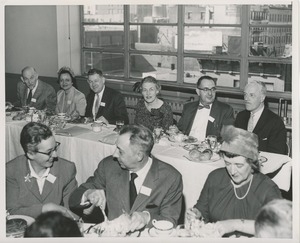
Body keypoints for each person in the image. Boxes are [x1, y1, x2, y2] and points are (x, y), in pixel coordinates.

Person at [69, 124, 183, 231]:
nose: (114, 155)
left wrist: (147, 217)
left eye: (120, 151)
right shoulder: (109, 166)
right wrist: (88, 193)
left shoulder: (170, 177)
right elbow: (74, 198)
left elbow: (170, 221)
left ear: (139, 156)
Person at [186, 125, 282, 237]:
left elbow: (277, 228)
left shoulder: (267, 189)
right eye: (227, 163)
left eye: (239, 165)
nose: (232, 171)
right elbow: (202, 210)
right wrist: (197, 215)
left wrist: (235, 224)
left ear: (252, 163)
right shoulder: (215, 177)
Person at [6, 122, 79, 220]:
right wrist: (44, 209)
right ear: (31, 154)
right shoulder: (11, 170)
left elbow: (72, 213)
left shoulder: (66, 169)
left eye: (55, 148)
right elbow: (10, 212)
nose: (55, 155)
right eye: (49, 152)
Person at [235, 81, 287, 155]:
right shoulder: (240, 116)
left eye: (251, 95)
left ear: (262, 98)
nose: (246, 98)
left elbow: (277, 155)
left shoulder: (275, 122)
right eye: (245, 94)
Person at [177, 76, 234, 142]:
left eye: (213, 89)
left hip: (209, 149)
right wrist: (175, 131)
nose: (210, 93)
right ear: (198, 91)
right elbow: (180, 130)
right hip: (186, 146)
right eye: (206, 89)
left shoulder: (225, 110)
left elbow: (227, 139)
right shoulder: (188, 107)